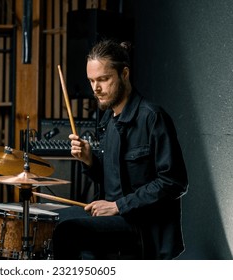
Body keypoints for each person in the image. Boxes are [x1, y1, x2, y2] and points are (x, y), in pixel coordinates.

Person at [51, 39, 188, 260]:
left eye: (103, 79)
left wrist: (117, 205)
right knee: (52, 218)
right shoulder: (109, 121)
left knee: (68, 231)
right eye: (91, 81)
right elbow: (113, 179)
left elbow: (174, 181)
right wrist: (90, 160)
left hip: (141, 226)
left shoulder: (152, 117)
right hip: (115, 218)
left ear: (124, 74)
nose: (96, 89)